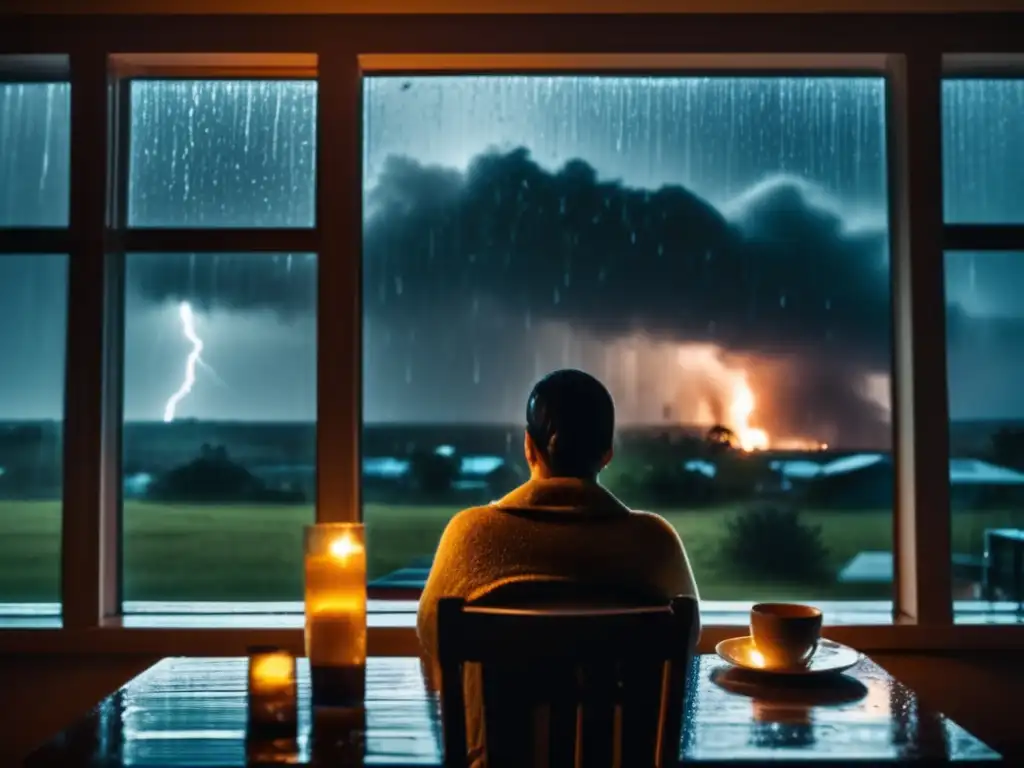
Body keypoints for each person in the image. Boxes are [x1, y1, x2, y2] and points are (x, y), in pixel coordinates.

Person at [417, 370, 701, 759]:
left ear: (529, 448)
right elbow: (686, 643)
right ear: (607, 454)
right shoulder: (656, 542)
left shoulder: (469, 534)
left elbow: (433, 634)